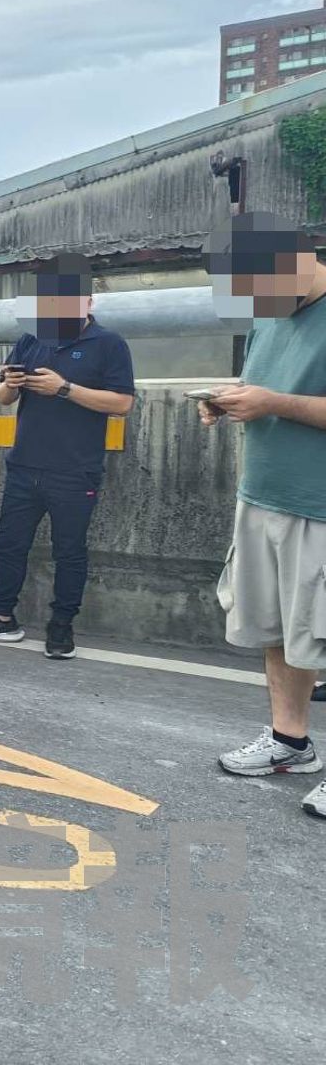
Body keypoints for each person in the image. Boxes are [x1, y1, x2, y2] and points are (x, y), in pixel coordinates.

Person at [201, 220, 326, 818]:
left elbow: (279, 397)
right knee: (276, 630)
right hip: (263, 497)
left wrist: (272, 403)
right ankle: (289, 742)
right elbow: (260, 386)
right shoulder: (270, 315)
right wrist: (228, 402)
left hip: (320, 507)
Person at [0, 257, 135, 660]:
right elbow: (2, 397)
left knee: (69, 550)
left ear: (87, 303)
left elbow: (122, 403)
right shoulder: (32, 340)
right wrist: (11, 384)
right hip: (25, 465)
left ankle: (62, 625)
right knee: (9, 544)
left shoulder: (108, 344)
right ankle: (1, 618)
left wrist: (65, 388)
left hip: (75, 469)